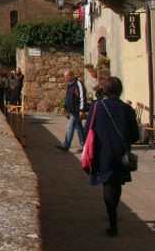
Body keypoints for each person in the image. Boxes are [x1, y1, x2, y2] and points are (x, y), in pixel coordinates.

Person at [84, 76, 139, 237]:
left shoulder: (96, 107)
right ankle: (113, 216)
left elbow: (88, 130)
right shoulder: (127, 109)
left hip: (103, 152)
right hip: (121, 153)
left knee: (108, 183)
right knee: (116, 184)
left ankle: (113, 221)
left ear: (105, 90)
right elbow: (135, 135)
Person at [56, 69, 86, 152]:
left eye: (66, 77)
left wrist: (81, 110)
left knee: (70, 127)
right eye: (64, 77)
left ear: (71, 76)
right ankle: (84, 146)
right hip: (72, 110)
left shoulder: (78, 83)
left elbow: (82, 97)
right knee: (79, 128)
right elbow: (68, 98)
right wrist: (64, 107)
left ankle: (66, 145)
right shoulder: (69, 85)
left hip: (76, 111)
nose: (65, 79)